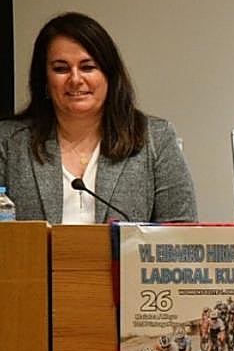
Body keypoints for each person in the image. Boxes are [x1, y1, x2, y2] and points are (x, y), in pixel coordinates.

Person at [0, 13, 197, 223]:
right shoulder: (8, 142)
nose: (75, 79)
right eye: (61, 69)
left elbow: (181, 236)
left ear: (109, 75)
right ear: (45, 81)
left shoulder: (156, 138)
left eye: (88, 67)